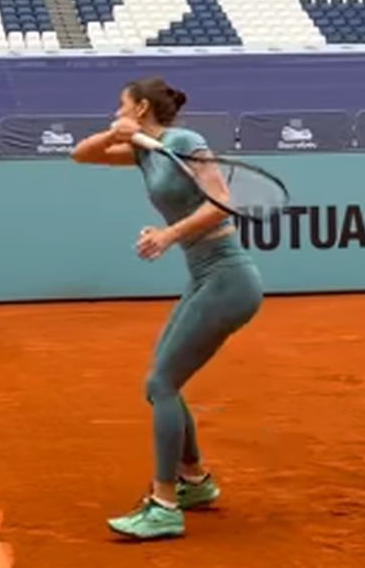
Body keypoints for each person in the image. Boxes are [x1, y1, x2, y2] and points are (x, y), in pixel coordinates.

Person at [72, 77, 264, 541]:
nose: (114, 109)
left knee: (161, 383)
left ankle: (163, 504)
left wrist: (167, 235)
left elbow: (222, 204)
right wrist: (118, 134)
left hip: (228, 278)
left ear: (140, 107)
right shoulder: (144, 149)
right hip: (203, 276)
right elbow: (81, 153)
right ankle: (194, 481)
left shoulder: (186, 142)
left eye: (121, 104)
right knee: (163, 382)